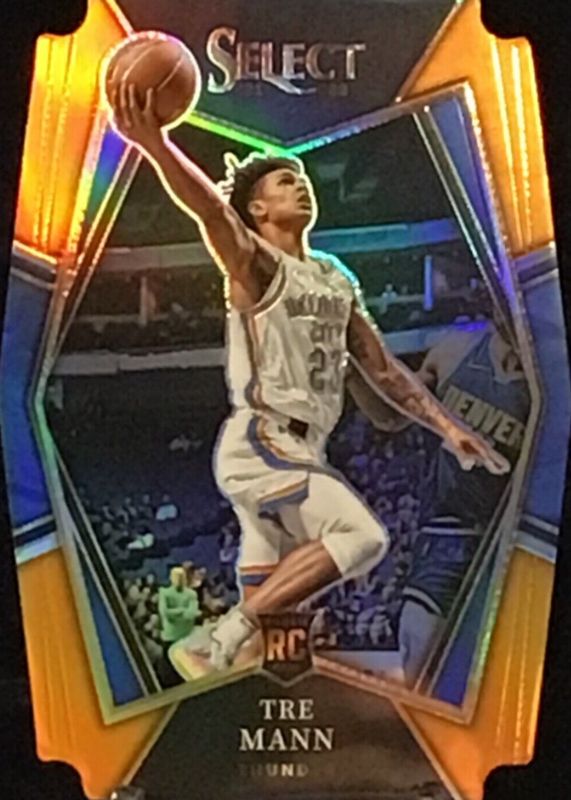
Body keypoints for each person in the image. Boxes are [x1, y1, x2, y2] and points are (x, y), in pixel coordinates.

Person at [110, 83, 509, 671]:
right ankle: (222, 632)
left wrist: (449, 429)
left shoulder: (334, 275)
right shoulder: (255, 262)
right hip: (263, 439)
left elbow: (382, 369)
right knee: (362, 538)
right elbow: (210, 211)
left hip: (304, 446)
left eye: (301, 178)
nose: (300, 184)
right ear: (257, 210)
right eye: (284, 181)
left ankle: (221, 660)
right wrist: (156, 144)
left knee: (269, 643)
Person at [352, 317, 530, 687]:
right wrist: (350, 372)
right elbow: (391, 417)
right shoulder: (456, 349)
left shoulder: (550, 377)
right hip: (449, 531)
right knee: (420, 655)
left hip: (514, 542)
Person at [157, 567, 200, 686]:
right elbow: (165, 613)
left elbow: (191, 613)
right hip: (170, 639)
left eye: (181, 577)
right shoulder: (164, 593)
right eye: (176, 577)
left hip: (188, 639)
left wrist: (174, 612)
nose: (179, 580)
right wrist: (182, 611)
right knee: (169, 679)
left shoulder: (191, 594)